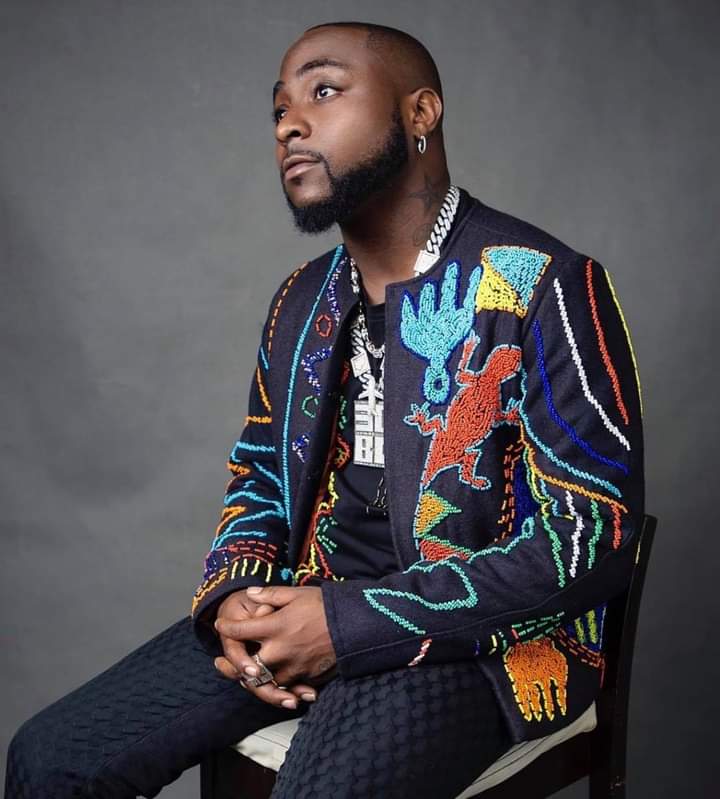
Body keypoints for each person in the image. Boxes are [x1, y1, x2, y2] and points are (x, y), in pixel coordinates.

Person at [4, 19, 645, 799]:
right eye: (279, 108)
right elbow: (258, 475)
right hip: (304, 598)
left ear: (419, 113)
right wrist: (235, 597)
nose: (289, 124)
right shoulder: (300, 300)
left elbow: (588, 541)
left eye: (324, 92)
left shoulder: (542, 283)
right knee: (50, 758)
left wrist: (348, 624)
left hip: (484, 643)